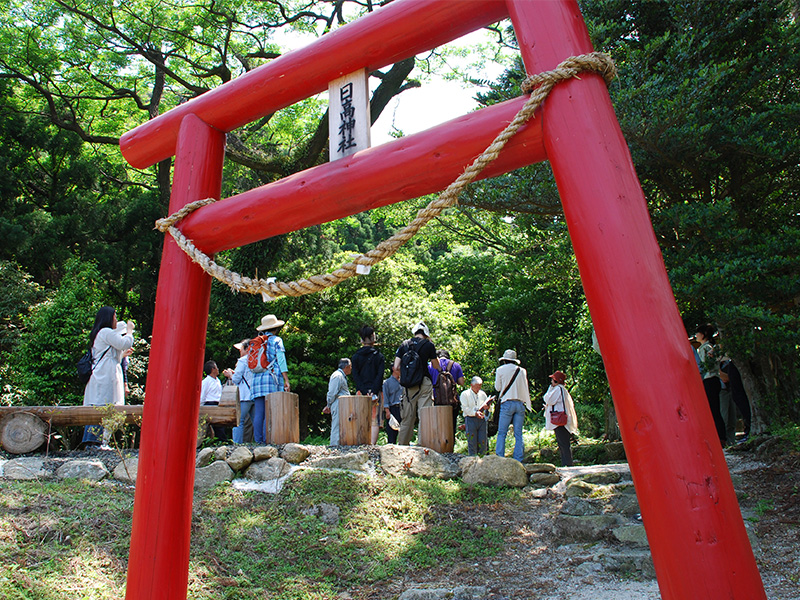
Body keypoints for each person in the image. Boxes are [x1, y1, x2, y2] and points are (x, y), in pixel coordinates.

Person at [82, 306, 134, 449]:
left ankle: (101, 442)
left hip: (105, 375)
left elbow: (112, 354)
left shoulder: (101, 334)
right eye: (115, 317)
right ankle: (94, 442)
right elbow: (125, 342)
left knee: (105, 406)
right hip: (104, 377)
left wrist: (122, 355)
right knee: (100, 407)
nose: (116, 320)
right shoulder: (105, 332)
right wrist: (129, 330)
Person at [394, 321, 440, 445]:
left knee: (407, 417)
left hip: (408, 385)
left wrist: (405, 376)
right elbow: (436, 365)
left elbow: (396, 366)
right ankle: (423, 445)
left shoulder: (404, 345)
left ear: (414, 332)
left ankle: (403, 445)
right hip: (424, 382)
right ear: (426, 334)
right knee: (424, 415)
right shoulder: (428, 345)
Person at [251, 314, 290, 444]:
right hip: (271, 378)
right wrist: (286, 379)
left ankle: (258, 441)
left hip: (257, 380)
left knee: (259, 411)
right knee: (270, 411)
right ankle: (268, 439)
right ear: (275, 328)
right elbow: (281, 360)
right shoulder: (276, 340)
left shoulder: (257, 341)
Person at [494, 349, 531, 462]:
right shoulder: (522, 371)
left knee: (502, 432)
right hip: (520, 403)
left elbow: (498, 388)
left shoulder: (500, 370)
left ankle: (500, 457)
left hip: (507, 402)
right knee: (518, 433)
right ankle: (518, 459)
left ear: (504, 360)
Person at [351, 325, 385, 444]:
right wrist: (373, 391)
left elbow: (356, 376)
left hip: (361, 391)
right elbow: (379, 376)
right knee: (375, 420)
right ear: (372, 338)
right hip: (376, 392)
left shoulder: (355, 357)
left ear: (361, 340)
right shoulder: (379, 356)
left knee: (361, 418)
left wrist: (364, 391)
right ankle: (372, 446)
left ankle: (361, 443)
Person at [695, 324, 726, 445]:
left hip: (710, 379)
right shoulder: (707, 347)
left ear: (704, 334)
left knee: (714, 410)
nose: (696, 335)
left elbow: (706, 365)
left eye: (698, 333)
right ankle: (720, 437)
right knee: (714, 409)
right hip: (713, 380)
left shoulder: (705, 347)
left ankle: (720, 437)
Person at [543, 370, 579, 466]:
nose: (551, 382)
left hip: (560, 420)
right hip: (562, 419)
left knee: (563, 444)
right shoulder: (562, 389)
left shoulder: (558, 389)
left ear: (556, 381)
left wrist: (550, 389)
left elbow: (548, 399)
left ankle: (567, 464)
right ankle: (566, 463)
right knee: (563, 443)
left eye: (553, 380)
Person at [223, 339, 255, 444]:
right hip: (255, 394)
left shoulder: (242, 360)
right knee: (256, 421)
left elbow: (236, 379)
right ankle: (261, 442)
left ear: (246, 349)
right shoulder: (255, 359)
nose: (240, 351)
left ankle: (237, 444)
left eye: (241, 349)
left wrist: (230, 375)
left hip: (244, 396)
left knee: (238, 421)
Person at [429, 349, 465, 438]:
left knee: (437, 425)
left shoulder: (430, 366)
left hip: (436, 399)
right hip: (452, 400)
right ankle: (450, 447)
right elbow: (461, 382)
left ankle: (438, 447)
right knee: (451, 425)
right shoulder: (456, 365)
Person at [719, 357, 752, 443]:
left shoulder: (729, 362)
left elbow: (725, 378)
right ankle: (729, 441)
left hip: (728, 389)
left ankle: (731, 440)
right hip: (724, 390)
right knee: (727, 416)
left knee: (730, 418)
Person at [460, 376, 492, 456]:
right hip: (470, 419)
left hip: (481, 419)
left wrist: (487, 407)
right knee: (472, 442)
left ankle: (483, 460)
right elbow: (465, 408)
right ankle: (472, 460)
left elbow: (488, 408)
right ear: (471, 385)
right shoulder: (465, 394)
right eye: (477, 386)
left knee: (483, 441)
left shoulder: (482, 394)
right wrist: (474, 413)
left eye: (480, 386)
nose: (478, 388)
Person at [324, 358, 351, 446]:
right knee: (337, 426)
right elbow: (332, 392)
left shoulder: (340, 375)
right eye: (350, 367)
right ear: (346, 367)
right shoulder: (337, 376)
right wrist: (328, 404)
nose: (351, 369)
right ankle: (334, 446)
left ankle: (340, 446)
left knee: (342, 426)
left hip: (342, 404)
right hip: (338, 403)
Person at [383, 365, 402, 444]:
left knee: (403, 431)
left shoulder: (404, 381)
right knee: (391, 433)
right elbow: (385, 397)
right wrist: (387, 410)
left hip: (403, 408)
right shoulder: (387, 383)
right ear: (393, 369)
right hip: (392, 408)